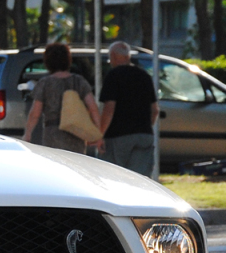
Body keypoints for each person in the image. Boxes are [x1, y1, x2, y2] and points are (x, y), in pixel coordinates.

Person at [22, 42, 100, 153]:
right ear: (68, 60)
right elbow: (93, 108)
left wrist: (28, 133)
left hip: (52, 134)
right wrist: (97, 133)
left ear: (48, 62)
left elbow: (35, 113)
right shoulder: (79, 81)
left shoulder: (45, 83)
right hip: (76, 132)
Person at [98, 41, 158, 176]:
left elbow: (109, 109)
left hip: (118, 135)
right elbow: (155, 110)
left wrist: (100, 134)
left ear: (113, 56)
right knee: (139, 179)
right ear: (128, 56)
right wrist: (145, 127)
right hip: (144, 135)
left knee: (115, 177)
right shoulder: (144, 76)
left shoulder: (113, 76)